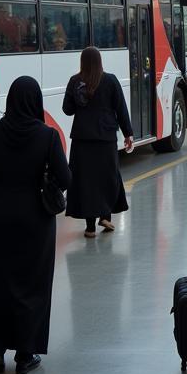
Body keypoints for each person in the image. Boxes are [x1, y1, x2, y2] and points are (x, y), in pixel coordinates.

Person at [0, 76, 71, 374]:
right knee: (33, 284)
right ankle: (26, 354)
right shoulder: (48, 136)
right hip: (35, 220)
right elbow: (66, 180)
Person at [63, 47, 134, 239]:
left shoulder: (75, 81)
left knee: (85, 181)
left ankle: (90, 228)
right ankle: (105, 216)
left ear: (82, 61)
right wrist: (128, 134)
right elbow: (121, 108)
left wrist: (78, 97)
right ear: (100, 61)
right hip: (105, 138)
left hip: (82, 139)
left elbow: (67, 110)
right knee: (107, 177)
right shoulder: (110, 80)